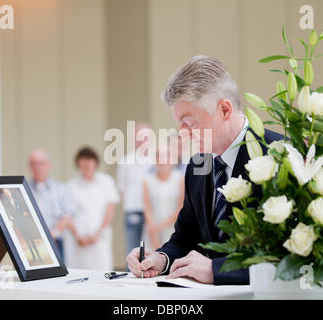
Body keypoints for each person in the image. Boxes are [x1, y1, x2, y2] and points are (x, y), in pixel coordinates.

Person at [126, 55, 282, 285]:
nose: (182, 134)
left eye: (189, 123)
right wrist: (162, 258)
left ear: (225, 110)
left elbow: (291, 258)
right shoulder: (197, 166)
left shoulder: (280, 157)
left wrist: (217, 270)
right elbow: (186, 237)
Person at [65, 147, 120, 270]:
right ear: (78, 163)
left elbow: (110, 210)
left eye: (90, 161)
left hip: (99, 238)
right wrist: (78, 236)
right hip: (79, 241)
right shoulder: (71, 186)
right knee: (78, 274)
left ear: (95, 163)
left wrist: (97, 234)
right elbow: (68, 214)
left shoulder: (106, 182)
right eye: (83, 161)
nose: (87, 165)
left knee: (101, 272)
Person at [28, 149, 75, 259]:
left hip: (55, 242)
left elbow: (68, 216)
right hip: (31, 244)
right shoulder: (23, 189)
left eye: (41, 163)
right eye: (33, 164)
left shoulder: (60, 188)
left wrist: (53, 234)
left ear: (48, 165)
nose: (37, 167)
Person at [116, 123, 153, 258]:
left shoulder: (157, 159)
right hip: (134, 210)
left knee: (153, 249)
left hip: (155, 212)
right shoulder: (126, 161)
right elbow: (121, 187)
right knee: (133, 249)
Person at [143, 144, 184, 251]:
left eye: (167, 155)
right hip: (152, 231)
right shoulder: (147, 180)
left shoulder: (181, 179)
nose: (163, 160)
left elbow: (181, 208)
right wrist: (153, 234)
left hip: (174, 230)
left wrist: (159, 227)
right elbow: (148, 208)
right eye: (159, 156)